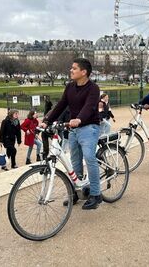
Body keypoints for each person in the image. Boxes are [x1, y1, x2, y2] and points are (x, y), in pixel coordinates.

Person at [43, 58, 101, 210]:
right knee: (74, 161)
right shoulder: (70, 87)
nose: (71, 70)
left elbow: (89, 106)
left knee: (89, 157)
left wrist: (79, 119)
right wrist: (47, 121)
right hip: (73, 128)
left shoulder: (93, 88)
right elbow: (61, 105)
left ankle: (95, 194)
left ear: (84, 72)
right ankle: (77, 190)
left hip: (89, 127)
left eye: (74, 68)